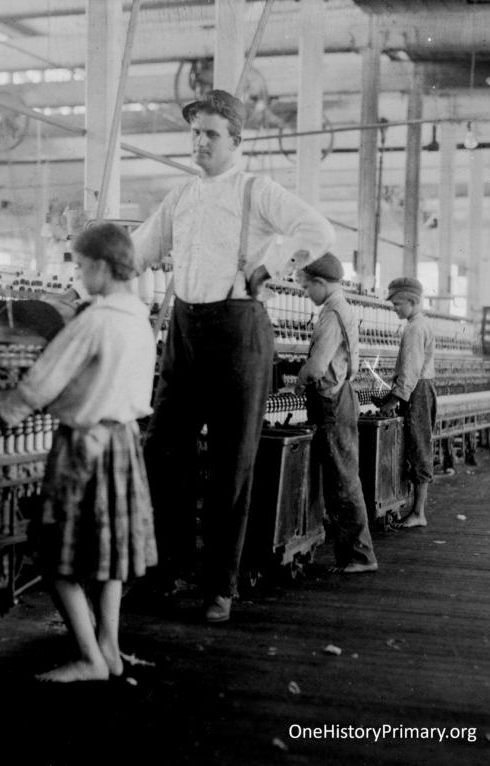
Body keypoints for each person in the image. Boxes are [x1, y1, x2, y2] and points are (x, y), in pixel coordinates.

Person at [131, 89, 335, 623]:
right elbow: (139, 251)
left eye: (211, 134)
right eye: (195, 132)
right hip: (184, 332)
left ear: (236, 141)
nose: (200, 142)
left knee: (231, 464)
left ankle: (219, 586)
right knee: (161, 452)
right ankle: (165, 570)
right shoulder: (179, 198)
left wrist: (274, 267)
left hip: (239, 330)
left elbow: (318, 230)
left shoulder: (255, 190)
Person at [0, 223, 157, 682]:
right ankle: (108, 649)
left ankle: (88, 657)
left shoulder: (95, 320)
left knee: (57, 560)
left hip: (84, 446)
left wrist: (0, 420)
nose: (81, 275)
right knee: (108, 559)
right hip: (123, 442)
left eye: (84, 266)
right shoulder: (137, 318)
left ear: (103, 266)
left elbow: (43, 380)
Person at [293, 253, 378, 573]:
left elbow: (316, 367)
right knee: (342, 476)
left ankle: (360, 556)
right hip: (341, 397)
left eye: (305, 287)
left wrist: (298, 383)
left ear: (319, 283)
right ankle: (354, 554)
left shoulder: (331, 314)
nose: (305, 293)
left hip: (330, 401)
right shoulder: (341, 309)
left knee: (342, 479)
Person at [378, 277, 436, 529]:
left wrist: (394, 399)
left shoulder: (414, 328)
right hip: (420, 390)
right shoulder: (420, 323)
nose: (395, 308)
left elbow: (411, 370)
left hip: (416, 392)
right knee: (416, 446)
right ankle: (414, 510)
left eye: (398, 304)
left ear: (413, 301)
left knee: (418, 448)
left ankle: (418, 513)